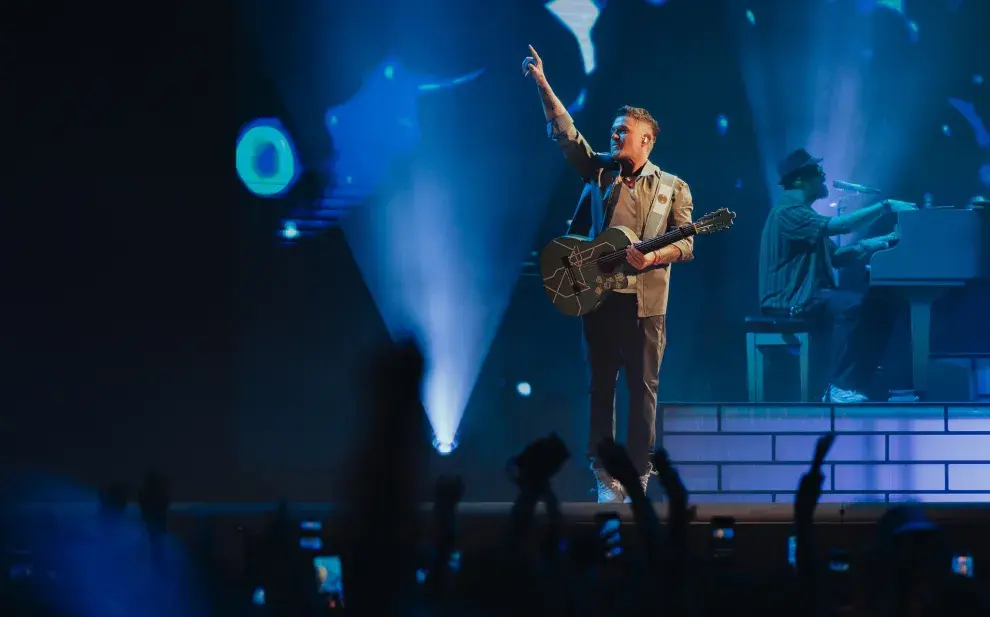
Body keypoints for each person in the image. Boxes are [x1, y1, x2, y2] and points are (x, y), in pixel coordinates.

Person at [522, 46, 694, 503]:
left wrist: (654, 258)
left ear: (646, 141)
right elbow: (566, 136)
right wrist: (543, 84)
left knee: (644, 392)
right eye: (614, 131)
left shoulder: (674, 187)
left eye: (625, 133)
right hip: (599, 299)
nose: (616, 137)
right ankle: (603, 474)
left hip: (647, 304)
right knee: (602, 388)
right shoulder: (599, 174)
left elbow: (687, 241)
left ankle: (638, 473)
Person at [758, 148, 918, 403]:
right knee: (854, 306)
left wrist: (883, 241)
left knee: (881, 304)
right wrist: (885, 206)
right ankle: (838, 386)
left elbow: (838, 257)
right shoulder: (789, 212)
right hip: (790, 300)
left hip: (811, 296)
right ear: (799, 179)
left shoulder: (804, 215)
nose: (823, 179)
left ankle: (854, 383)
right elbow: (842, 226)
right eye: (818, 174)